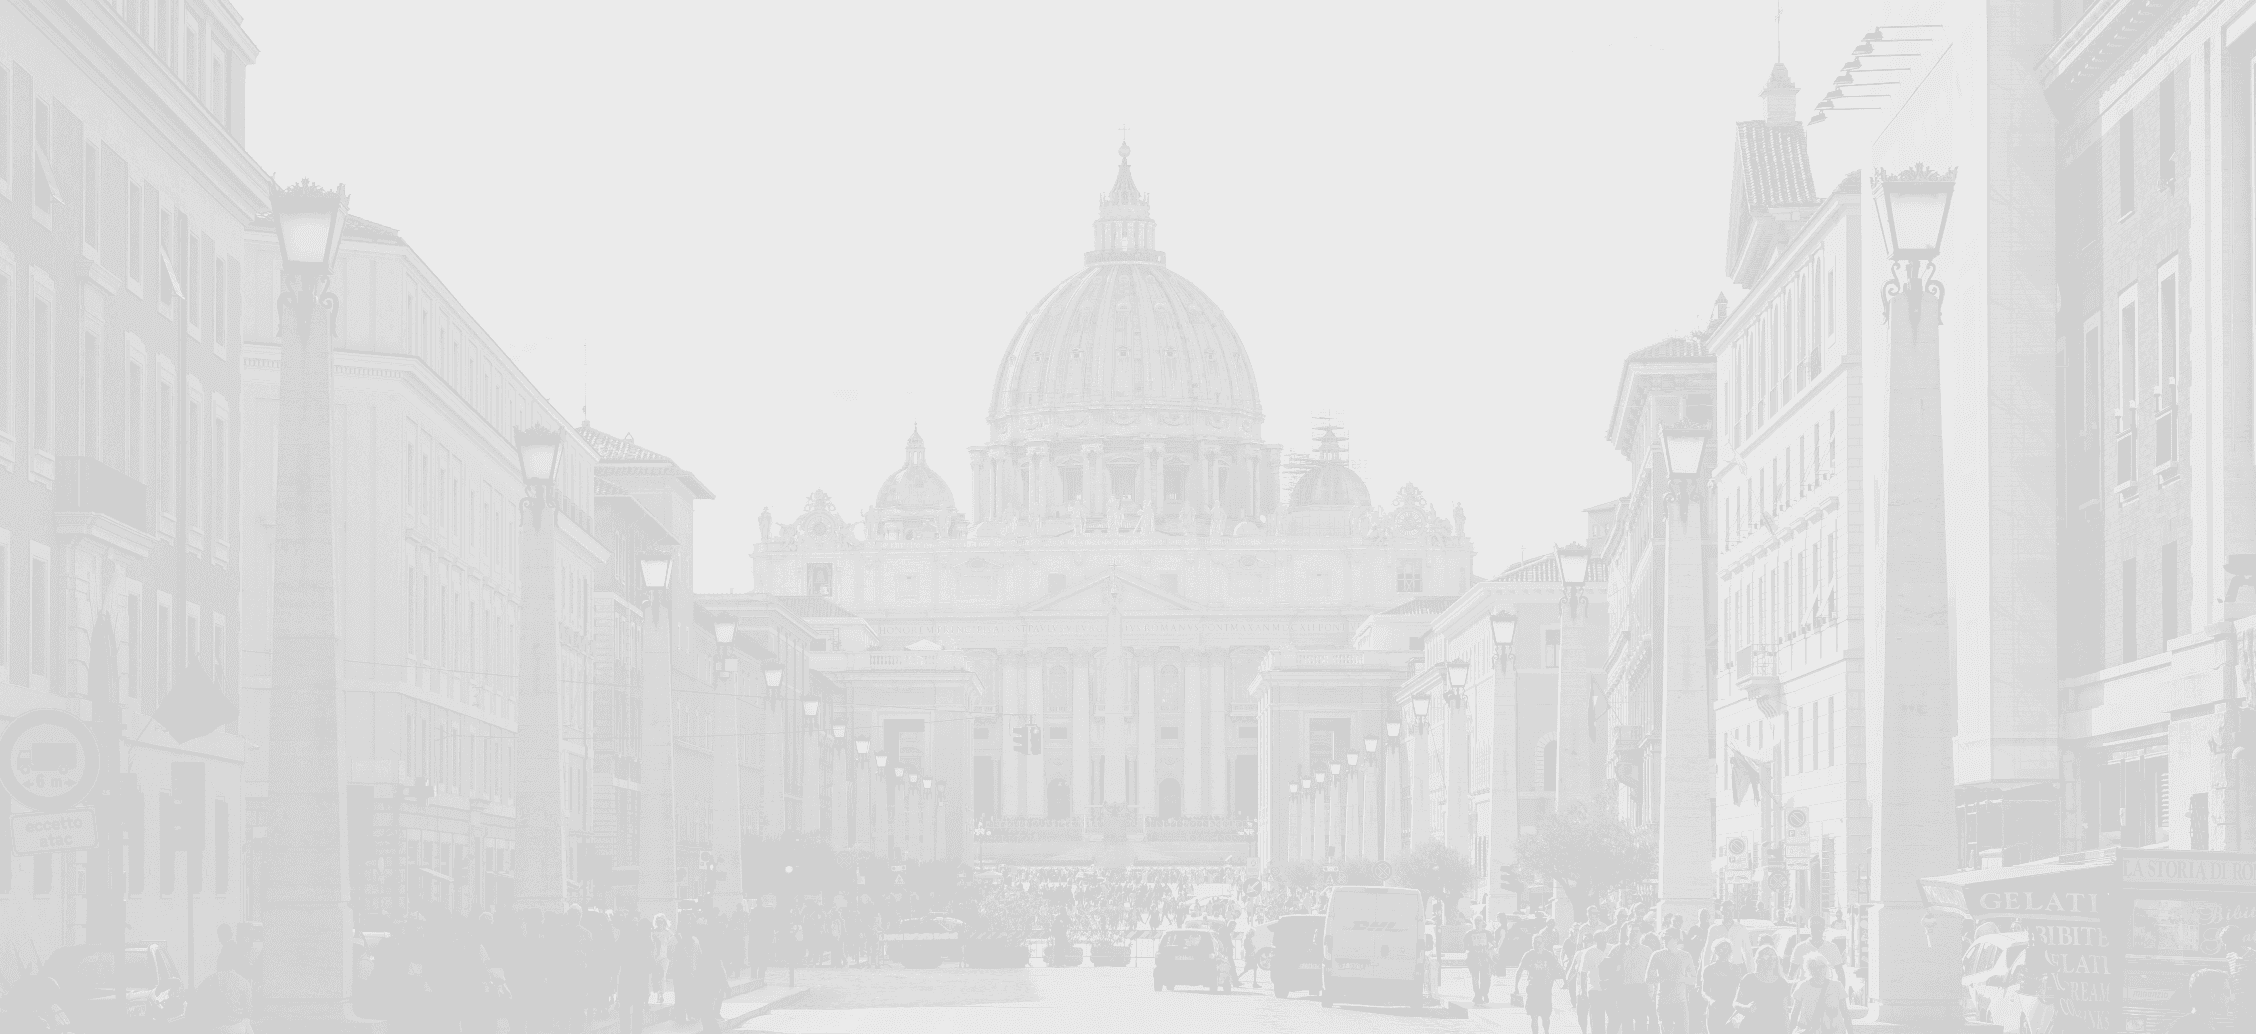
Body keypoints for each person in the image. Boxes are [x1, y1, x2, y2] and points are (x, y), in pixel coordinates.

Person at [189, 948, 257, 1034]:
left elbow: (195, 1006)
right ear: (234, 965)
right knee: (247, 1024)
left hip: (212, 1028)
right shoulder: (243, 982)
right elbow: (249, 1011)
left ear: (218, 964)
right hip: (236, 1027)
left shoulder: (208, 981)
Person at [1729, 946, 1791, 1034]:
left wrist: (1788, 1031)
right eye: (1767, 956)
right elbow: (1735, 1003)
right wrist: (1746, 1008)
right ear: (1758, 960)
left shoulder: (1782, 983)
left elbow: (1784, 1012)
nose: (1771, 960)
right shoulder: (1749, 979)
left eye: (1773, 957)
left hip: (1775, 1028)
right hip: (1751, 1028)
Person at [1648, 930, 1697, 1034]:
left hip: (1681, 1002)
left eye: (1668, 938)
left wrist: (1682, 979)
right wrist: (1662, 978)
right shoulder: (1657, 955)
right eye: (1664, 938)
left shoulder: (1686, 956)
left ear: (1676, 940)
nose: (1665, 941)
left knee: (1683, 1031)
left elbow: (1694, 980)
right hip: (1663, 1002)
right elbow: (1648, 978)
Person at [1788, 953, 1849, 1034]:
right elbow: (1795, 1012)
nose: (1818, 970)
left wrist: (1850, 1030)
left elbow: (1845, 1013)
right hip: (1809, 1030)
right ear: (1808, 969)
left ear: (1826, 967)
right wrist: (1790, 1030)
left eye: (1821, 967)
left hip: (1834, 1030)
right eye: (1813, 967)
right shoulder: (1802, 986)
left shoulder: (1837, 986)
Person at [1517, 941, 1563, 1034]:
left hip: (1545, 989)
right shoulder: (1528, 955)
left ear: (1543, 944)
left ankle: (1546, 1031)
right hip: (1533, 988)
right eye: (1536, 943)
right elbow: (1520, 970)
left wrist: (1563, 979)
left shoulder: (1548, 955)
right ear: (1532, 944)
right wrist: (1515, 987)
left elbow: (1558, 967)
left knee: (1545, 1016)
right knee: (1534, 1015)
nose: (1538, 945)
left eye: (1540, 943)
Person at [1700, 940, 1744, 1034]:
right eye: (1721, 949)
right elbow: (1704, 991)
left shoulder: (1736, 969)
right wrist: (1711, 1001)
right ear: (1715, 951)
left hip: (1731, 1009)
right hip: (1715, 1009)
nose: (1724, 952)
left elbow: (1742, 991)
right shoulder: (1709, 969)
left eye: (1727, 949)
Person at [1465, 914, 1495, 1006]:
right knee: (1475, 978)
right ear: (1473, 922)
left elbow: (1493, 943)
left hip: (1485, 958)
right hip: (1473, 958)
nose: (1478, 923)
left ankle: (1484, 993)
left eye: (1479, 921)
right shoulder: (1469, 934)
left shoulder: (1487, 933)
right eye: (1476, 921)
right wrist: (1472, 948)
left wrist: (1488, 949)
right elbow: (1465, 946)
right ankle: (1477, 995)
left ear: (1483, 922)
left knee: (1486, 978)